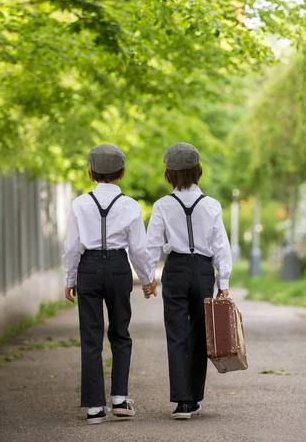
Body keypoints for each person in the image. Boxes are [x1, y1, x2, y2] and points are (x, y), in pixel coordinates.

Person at [62, 143, 156, 425]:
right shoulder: (129, 205)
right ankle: (119, 399)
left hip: (89, 268)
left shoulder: (79, 204)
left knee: (91, 336)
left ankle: (94, 408)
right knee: (120, 332)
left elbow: (71, 246)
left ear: (90, 172)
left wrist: (70, 278)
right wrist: (148, 278)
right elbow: (138, 248)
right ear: (123, 172)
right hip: (117, 268)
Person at [144, 142, 232, 420]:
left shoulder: (162, 206)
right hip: (204, 271)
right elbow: (221, 245)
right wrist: (224, 281)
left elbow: (151, 246)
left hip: (177, 270)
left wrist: (148, 278)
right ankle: (194, 397)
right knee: (200, 334)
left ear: (168, 174)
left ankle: (182, 402)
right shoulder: (212, 205)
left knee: (177, 334)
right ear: (199, 171)